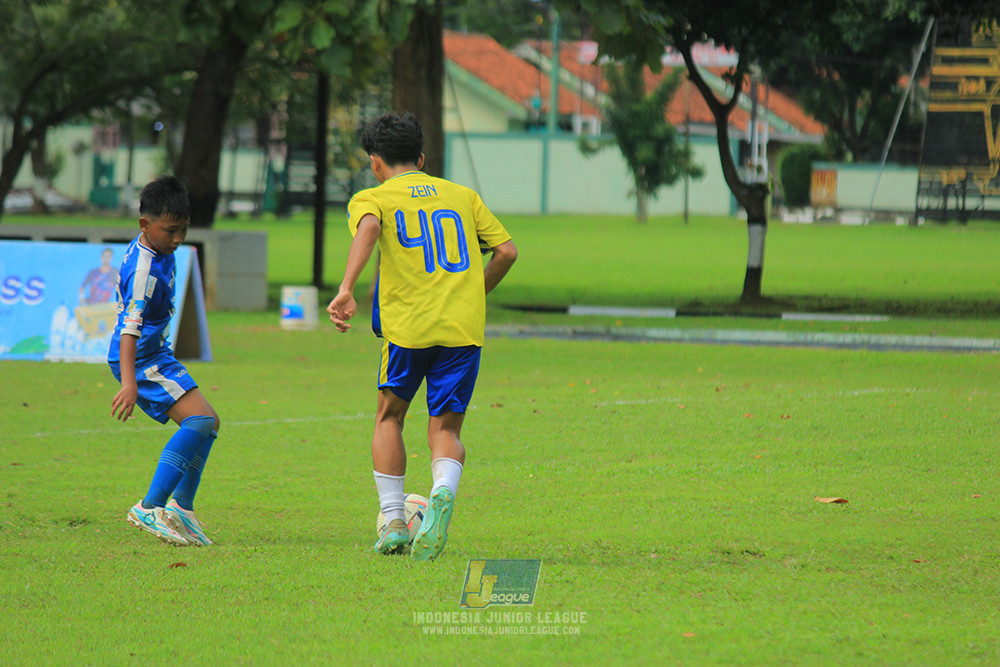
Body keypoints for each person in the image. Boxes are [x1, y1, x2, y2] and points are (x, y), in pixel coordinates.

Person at [327, 111, 517, 561]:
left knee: (389, 417)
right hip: (462, 330)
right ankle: (442, 490)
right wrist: (473, 294)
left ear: (375, 162)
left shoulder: (373, 197)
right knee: (446, 428)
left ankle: (394, 521)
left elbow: (369, 227)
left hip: (408, 331)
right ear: (421, 157)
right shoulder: (462, 196)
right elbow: (507, 252)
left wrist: (347, 288)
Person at [108, 175, 219, 547]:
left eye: (183, 230)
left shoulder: (159, 250)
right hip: (140, 358)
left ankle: (181, 508)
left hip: (156, 353)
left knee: (209, 422)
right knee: (199, 420)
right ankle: (150, 506)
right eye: (170, 231)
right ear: (145, 224)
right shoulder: (144, 271)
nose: (178, 239)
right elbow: (129, 330)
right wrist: (129, 383)